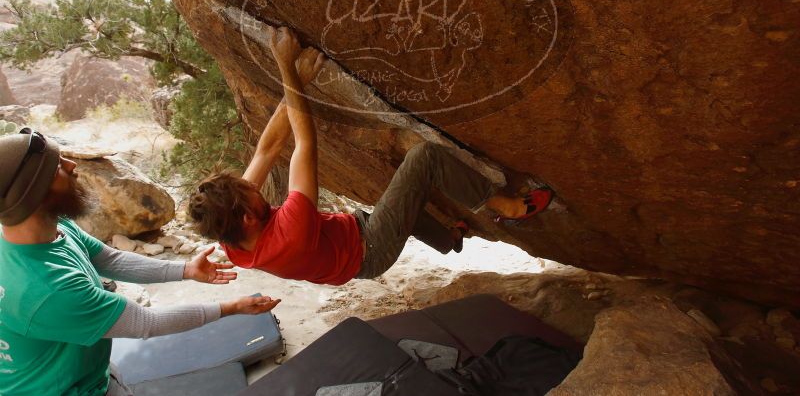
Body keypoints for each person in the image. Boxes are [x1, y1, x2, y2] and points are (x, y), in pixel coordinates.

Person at [188, 26, 552, 286]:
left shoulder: (231, 230)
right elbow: (303, 144)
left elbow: (267, 149)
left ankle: (449, 240)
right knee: (425, 159)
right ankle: (510, 208)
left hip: (351, 242)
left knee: (399, 201)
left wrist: (299, 79)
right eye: (248, 190)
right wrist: (286, 67)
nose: (253, 185)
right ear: (249, 217)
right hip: (369, 251)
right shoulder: (288, 235)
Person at [0, 128, 281, 396]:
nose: (72, 164)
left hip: (76, 374)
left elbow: (110, 258)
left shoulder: (50, 228)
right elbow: (145, 322)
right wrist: (231, 308)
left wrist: (186, 270)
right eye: (57, 167)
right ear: (33, 196)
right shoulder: (48, 289)